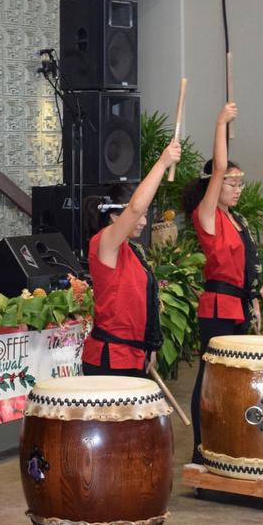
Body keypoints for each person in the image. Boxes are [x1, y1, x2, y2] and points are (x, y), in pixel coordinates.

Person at [185, 101, 259, 463]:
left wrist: (255, 302)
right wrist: (220, 124)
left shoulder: (236, 220)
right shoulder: (207, 215)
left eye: (240, 182)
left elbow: (248, 268)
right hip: (218, 307)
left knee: (236, 377)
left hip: (239, 305)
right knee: (211, 376)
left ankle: (230, 444)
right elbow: (217, 167)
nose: (237, 188)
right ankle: (202, 449)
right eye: (232, 182)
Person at [82, 139, 182, 378]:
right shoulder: (104, 242)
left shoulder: (134, 250)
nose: (143, 221)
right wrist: (162, 162)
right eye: (140, 216)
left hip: (134, 354)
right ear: (115, 217)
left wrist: (149, 347)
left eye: (146, 215)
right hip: (110, 357)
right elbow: (135, 207)